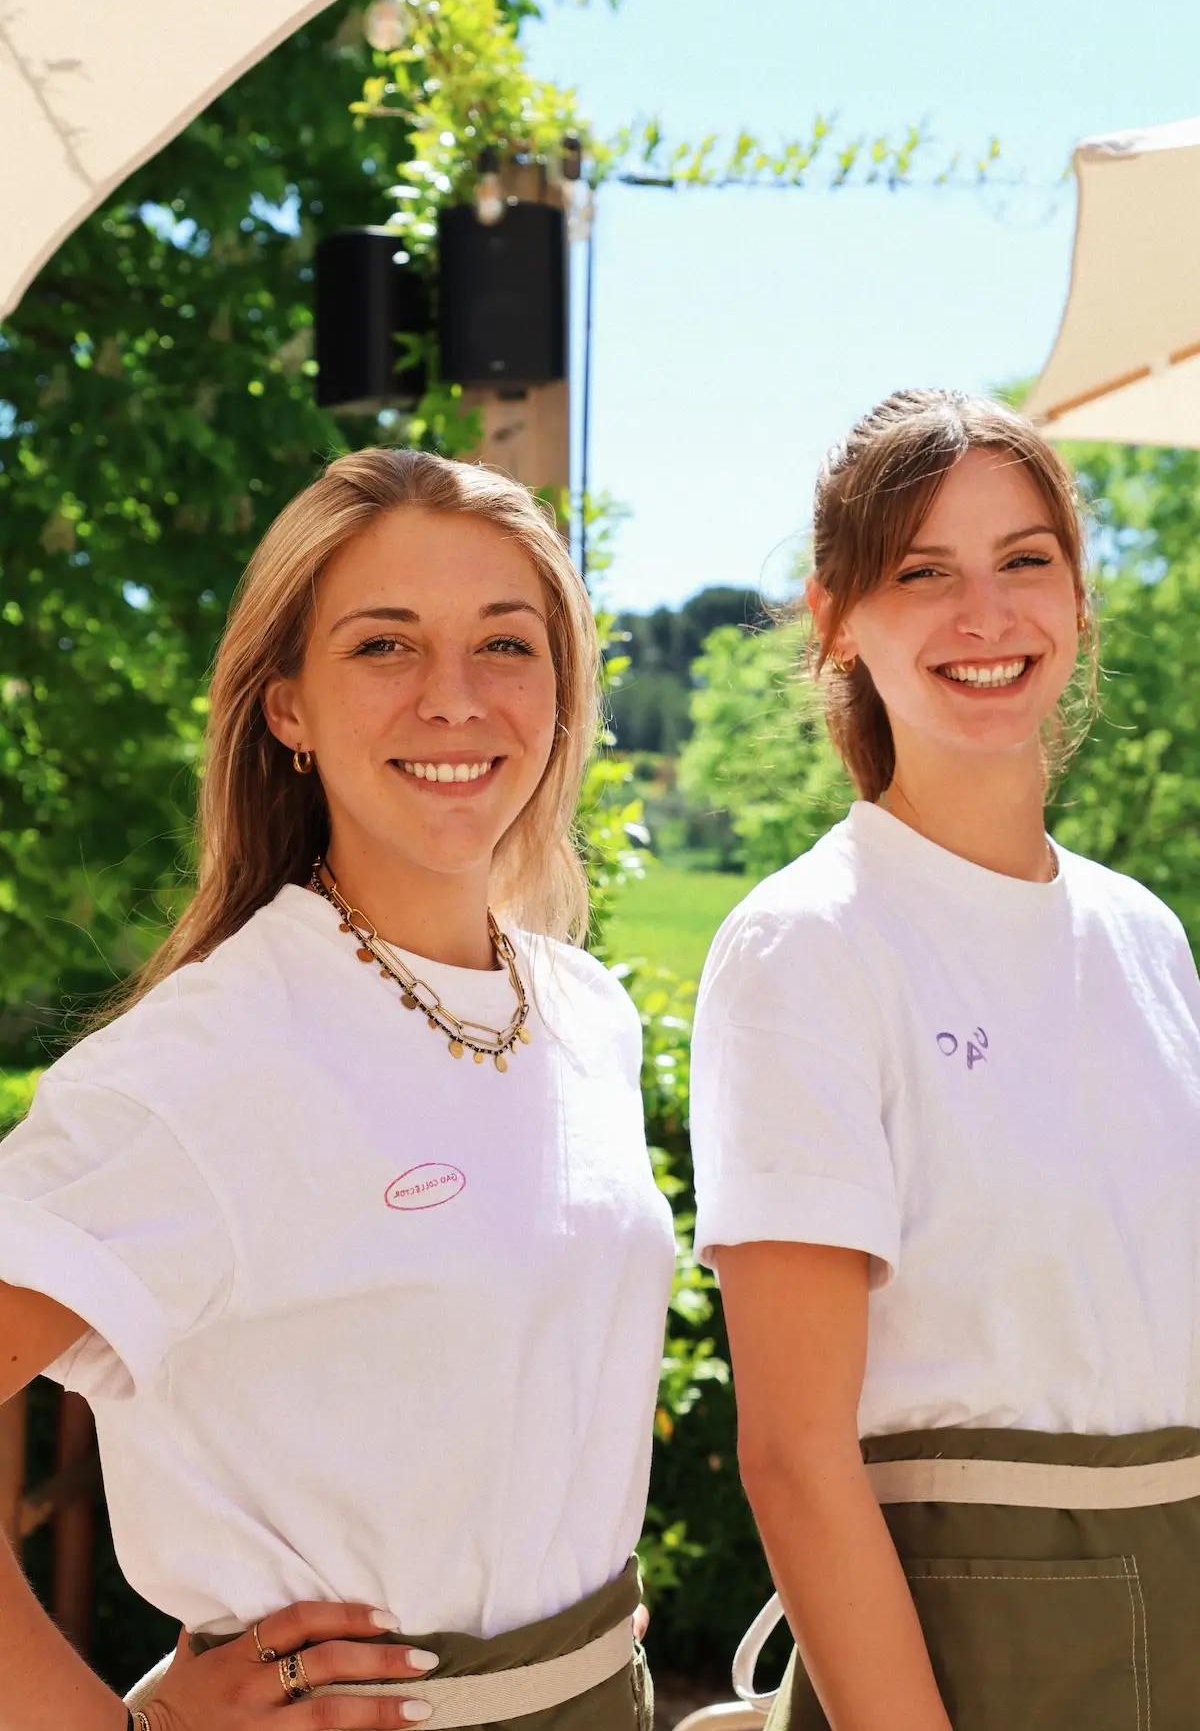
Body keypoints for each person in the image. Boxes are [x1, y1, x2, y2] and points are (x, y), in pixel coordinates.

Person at [0, 449, 674, 1731]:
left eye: (507, 645)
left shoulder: (588, 1016)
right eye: (384, 647)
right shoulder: (205, 1063)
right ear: (287, 707)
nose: (454, 699)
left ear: (564, 690)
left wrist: (560, 1598)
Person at [689, 389, 1200, 1730]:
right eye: (924, 572)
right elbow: (796, 1458)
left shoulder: (1145, 936)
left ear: (1081, 602)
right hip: (972, 1646)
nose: (987, 616)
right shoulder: (805, 949)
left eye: (1025, 560)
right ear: (836, 622)